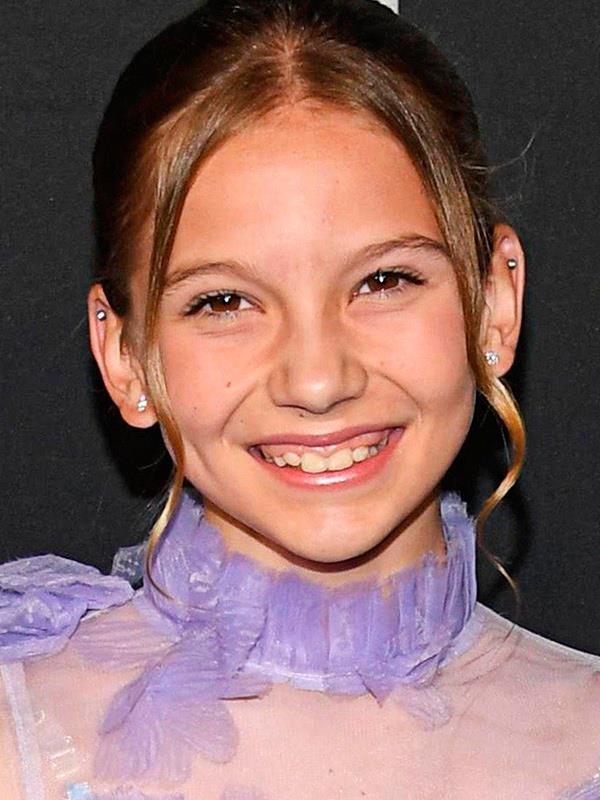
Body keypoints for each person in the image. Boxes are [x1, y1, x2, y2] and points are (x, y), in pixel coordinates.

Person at [1, 1, 599, 798]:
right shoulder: (19, 738)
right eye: (224, 302)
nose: (317, 382)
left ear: (494, 304)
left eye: (384, 281)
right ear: (125, 358)